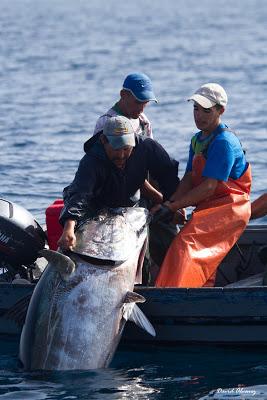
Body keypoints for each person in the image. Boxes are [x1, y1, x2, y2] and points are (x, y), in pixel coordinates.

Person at [153, 83, 252, 288]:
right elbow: (189, 178)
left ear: (220, 111)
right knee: (201, 256)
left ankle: (173, 296)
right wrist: (173, 203)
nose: (199, 116)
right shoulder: (197, 140)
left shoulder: (223, 142)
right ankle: (201, 293)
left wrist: (171, 207)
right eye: (196, 109)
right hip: (210, 205)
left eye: (207, 110)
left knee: (186, 245)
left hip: (230, 208)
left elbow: (209, 187)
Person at [58, 115, 180, 252]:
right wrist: (69, 227)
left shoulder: (146, 147)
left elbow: (169, 175)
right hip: (96, 211)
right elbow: (80, 194)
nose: (121, 155)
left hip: (132, 208)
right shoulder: (91, 161)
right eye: (116, 149)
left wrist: (171, 204)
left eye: (126, 149)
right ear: (104, 140)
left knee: (162, 243)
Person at [94, 72, 157, 138]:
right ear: (123, 94)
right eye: (137, 102)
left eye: (145, 103)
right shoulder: (106, 122)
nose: (141, 109)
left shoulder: (143, 121)